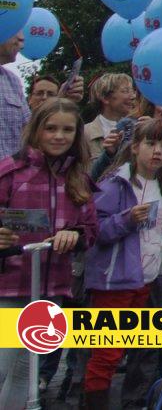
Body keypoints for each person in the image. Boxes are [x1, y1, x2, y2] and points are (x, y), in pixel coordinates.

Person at [0, 98, 97, 406]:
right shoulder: (11, 172)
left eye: (67, 130)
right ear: (36, 131)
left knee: (26, 370)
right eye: (51, 128)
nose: (59, 136)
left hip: (51, 287)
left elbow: (92, 228)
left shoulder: (78, 178)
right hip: (10, 286)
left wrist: (76, 234)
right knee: (2, 363)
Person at [81, 117, 162, 408]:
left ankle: (134, 402)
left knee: (143, 348)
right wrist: (125, 220)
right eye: (151, 143)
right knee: (107, 353)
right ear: (135, 147)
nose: (157, 151)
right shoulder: (116, 184)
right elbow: (94, 230)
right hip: (115, 282)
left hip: (148, 281)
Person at [0, 32, 82, 159]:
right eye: (15, 30)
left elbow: (33, 135)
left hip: (12, 177)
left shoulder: (12, 81)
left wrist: (61, 101)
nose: (22, 39)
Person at [84, 72, 138, 159]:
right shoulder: (85, 133)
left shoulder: (139, 128)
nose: (133, 96)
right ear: (105, 98)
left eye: (133, 91)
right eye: (125, 91)